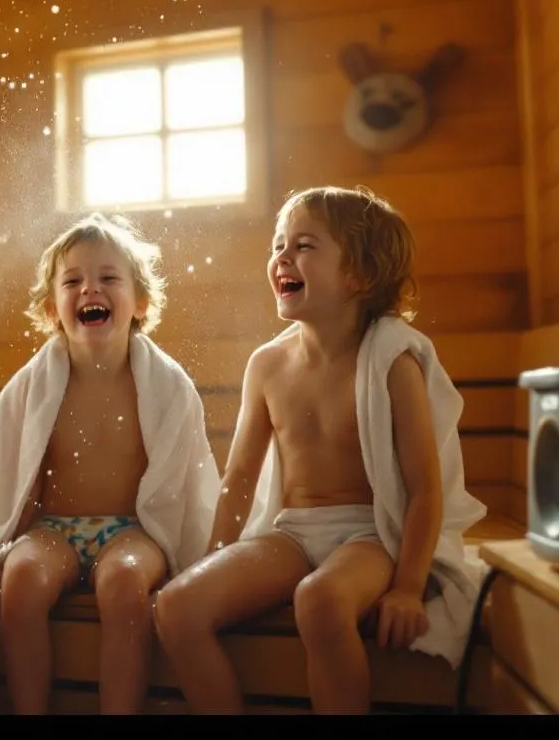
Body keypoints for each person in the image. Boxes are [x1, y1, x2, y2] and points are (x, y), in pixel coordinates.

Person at [152, 185, 488, 714]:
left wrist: (407, 587)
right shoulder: (267, 365)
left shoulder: (391, 361)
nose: (282, 257)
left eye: (304, 246)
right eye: (278, 245)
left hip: (370, 535)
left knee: (320, 600)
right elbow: (239, 477)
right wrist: (216, 558)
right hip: (292, 532)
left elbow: (424, 488)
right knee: (177, 606)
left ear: (358, 275)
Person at [0, 213, 221, 714]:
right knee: (22, 581)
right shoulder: (32, 384)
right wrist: (1, 540)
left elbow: (185, 475)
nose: (90, 289)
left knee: (125, 585)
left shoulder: (165, 384)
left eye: (109, 278)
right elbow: (8, 469)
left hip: (134, 531)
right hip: (53, 529)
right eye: (73, 281)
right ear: (52, 309)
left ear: (140, 301)